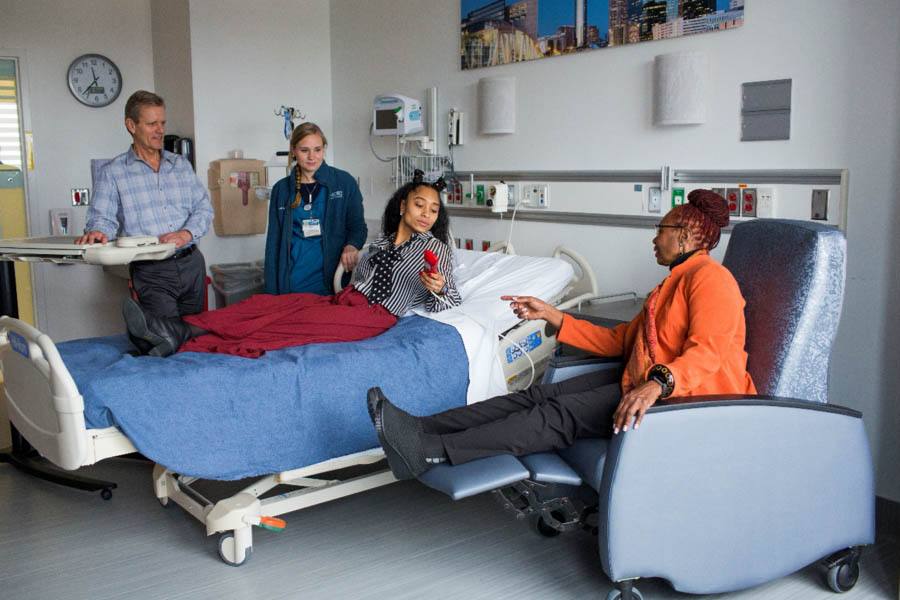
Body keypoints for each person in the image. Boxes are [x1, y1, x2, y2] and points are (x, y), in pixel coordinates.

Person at [367, 189, 758, 480]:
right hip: (646, 385)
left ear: (686, 236)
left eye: (661, 229)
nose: (654, 238)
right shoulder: (670, 285)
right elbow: (623, 341)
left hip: (691, 404)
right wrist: (553, 316)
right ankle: (425, 426)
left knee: (559, 414)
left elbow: (709, 353)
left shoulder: (713, 280)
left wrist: (655, 386)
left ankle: (431, 450)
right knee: (537, 395)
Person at [122, 175, 461, 358]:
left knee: (285, 325)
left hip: (374, 316)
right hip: (343, 300)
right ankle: (175, 331)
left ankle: (178, 339)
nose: (426, 214)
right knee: (264, 304)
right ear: (403, 206)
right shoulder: (380, 244)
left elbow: (449, 301)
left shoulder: (435, 249)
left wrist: (439, 287)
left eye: (433, 210)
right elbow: (358, 281)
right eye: (419, 205)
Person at [76, 90, 213, 319]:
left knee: (196, 336)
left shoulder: (180, 165)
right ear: (132, 125)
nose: (160, 130)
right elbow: (103, 218)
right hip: (151, 270)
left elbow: (203, 207)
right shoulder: (113, 172)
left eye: (162, 122)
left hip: (192, 264)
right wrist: (98, 231)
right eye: (152, 124)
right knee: (166, 337)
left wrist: (186, 233)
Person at [265, 122, 367, 296]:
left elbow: (357, 226)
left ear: (324, 148)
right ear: (293, 149)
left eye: (317, 150)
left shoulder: (343, 182)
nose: (312, 157)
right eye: (304, 150)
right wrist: (270, 294)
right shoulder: (281, 190)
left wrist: (352, 245)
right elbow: (273, 244)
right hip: (292, 281)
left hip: (332, 280)